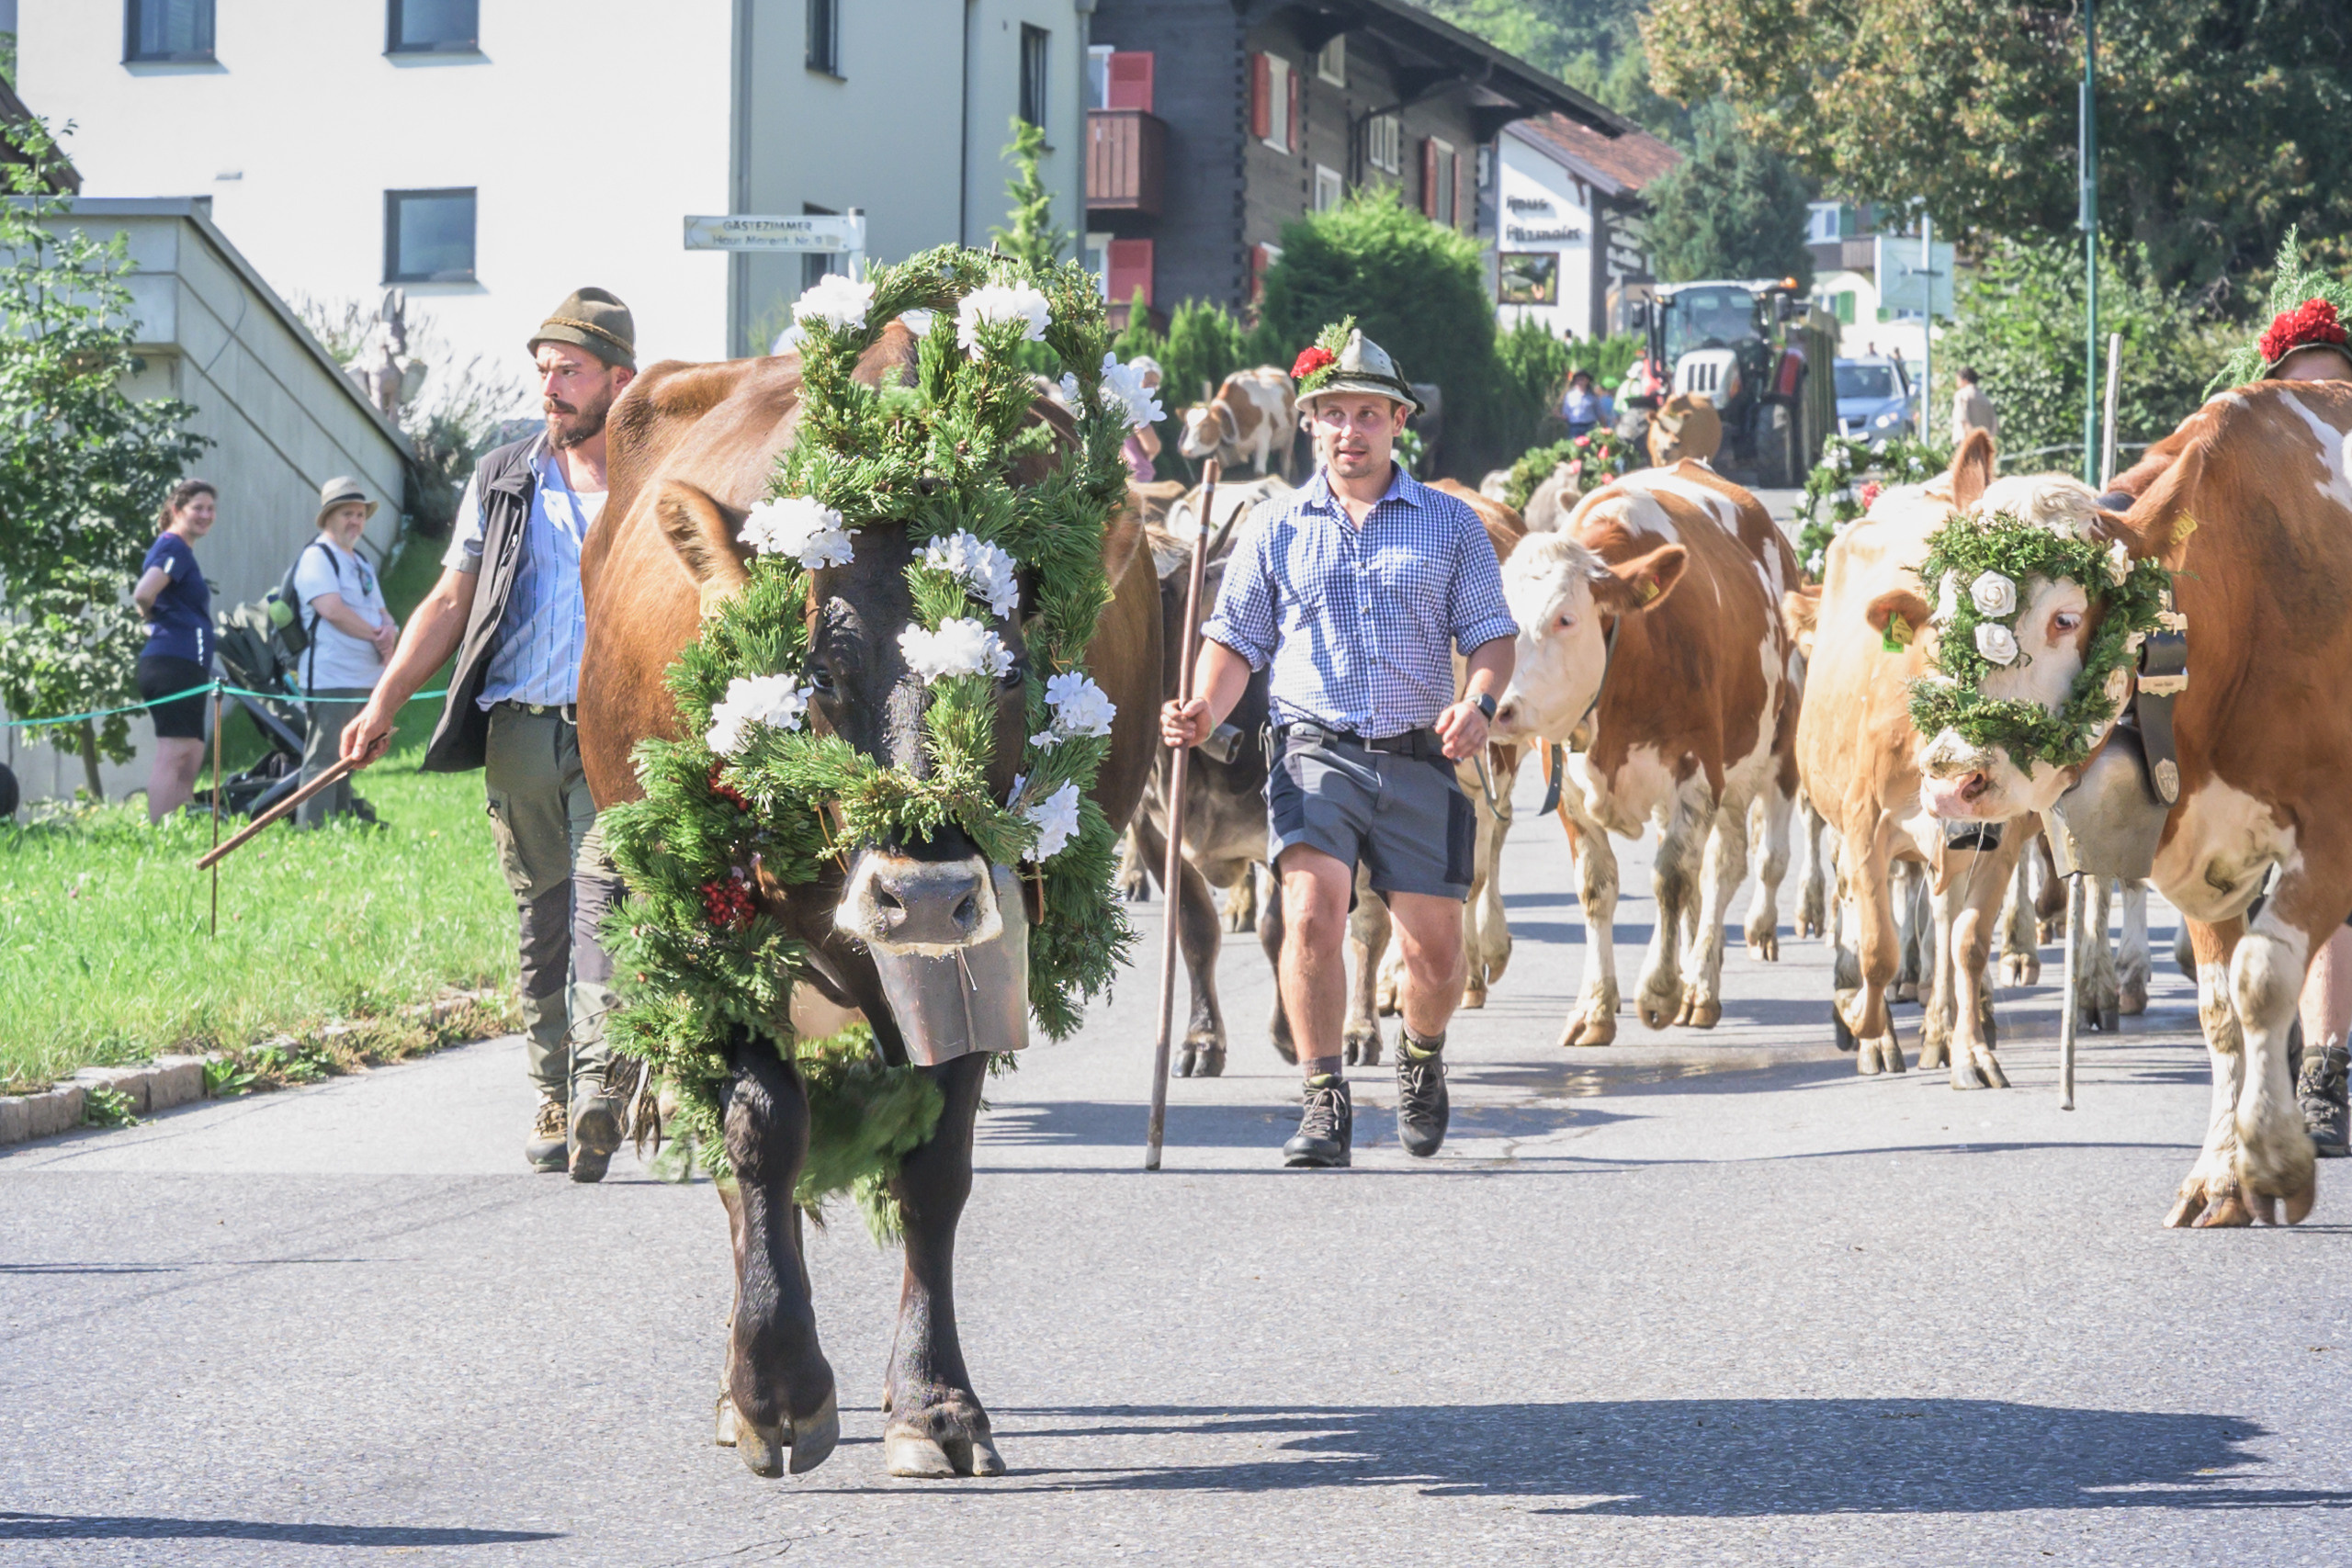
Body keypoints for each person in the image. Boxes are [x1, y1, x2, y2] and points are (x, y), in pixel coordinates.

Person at [1161, 326, 1518, 1168]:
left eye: (1367, 414)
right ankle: (1323, 1098)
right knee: (1309, 914)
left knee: (1435, 954)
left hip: (1417, 755)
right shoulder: (1277, 527)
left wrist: (1478, 702)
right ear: (1311, 423)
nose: (1349, 430)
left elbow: (1492, 637)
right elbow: (1233, 639)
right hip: (1312, 752)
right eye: (1333, 414)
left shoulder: (1451, 527)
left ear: (1398, 422)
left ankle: (1422, 1056)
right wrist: (1205, 710)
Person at [340, 288, 637, 1180]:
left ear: (619, 380)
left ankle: (599, 1086)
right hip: (519, 735)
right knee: (542, 922)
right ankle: (553, 1090)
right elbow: (449, 599)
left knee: (605, 906)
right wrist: (385, 701)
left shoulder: (655, 476)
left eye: (570, 371)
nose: (551, 387)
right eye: (544, 370)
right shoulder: (506, 477)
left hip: (618, 740)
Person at [2252, 296, 2352, 1156]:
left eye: (2337, 393)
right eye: (2304, 394)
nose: (2324, 409)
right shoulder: (2247, 480)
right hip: (2273, 718)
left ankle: (2325, 1073)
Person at [292, 477, 397, 828]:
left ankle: (339, 823)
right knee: (324, 758)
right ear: (329, 517)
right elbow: (331, 609)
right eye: (347, 514)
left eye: (360, 514)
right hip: (331, 677)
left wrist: (391, 633)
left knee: (351, 755)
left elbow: (381, 611)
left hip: (364, 677)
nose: (355, 521)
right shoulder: (317, 557)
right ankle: (313, 829)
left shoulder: (361, 561)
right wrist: (379, 637)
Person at [130, 479, 220, 824]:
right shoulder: (175, 548)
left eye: (210, 509)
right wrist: (151, 616)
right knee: (175, 751)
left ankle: (179, 824)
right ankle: (160, 830)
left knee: (192, 751)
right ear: (176, 510)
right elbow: (143, 592)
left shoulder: (180, 550)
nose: (206, 515)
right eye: (198, 508)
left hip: (186, 665)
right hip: (172, 664)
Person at [1123, 355, 1165, 482]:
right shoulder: (1134, 410)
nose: (1151, 388)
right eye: (1147, 382)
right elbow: (1152, 447)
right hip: (1133, 477)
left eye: (1154, 384)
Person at [1952, 367, 1998, 444]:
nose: (1957, 384)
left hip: (1966, 440)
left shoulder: (1961, 394)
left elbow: (1963, 418)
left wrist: (1972, 436)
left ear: (1965, 380)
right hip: (1984, 441)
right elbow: (1994, 421)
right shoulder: (1984, 397)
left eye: (1958, 380)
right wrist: (1990, 437)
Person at [1561, 368, 1611, 437]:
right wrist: (1558, 415)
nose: (1579, 382)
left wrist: (1605, 428)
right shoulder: (1569, 396)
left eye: (1582, 379)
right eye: (1577, 380)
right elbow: (1566, 415)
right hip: (1575, 428)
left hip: (1590, 427)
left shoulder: (1593, 397)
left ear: (1587, 381)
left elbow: (1600, 414)